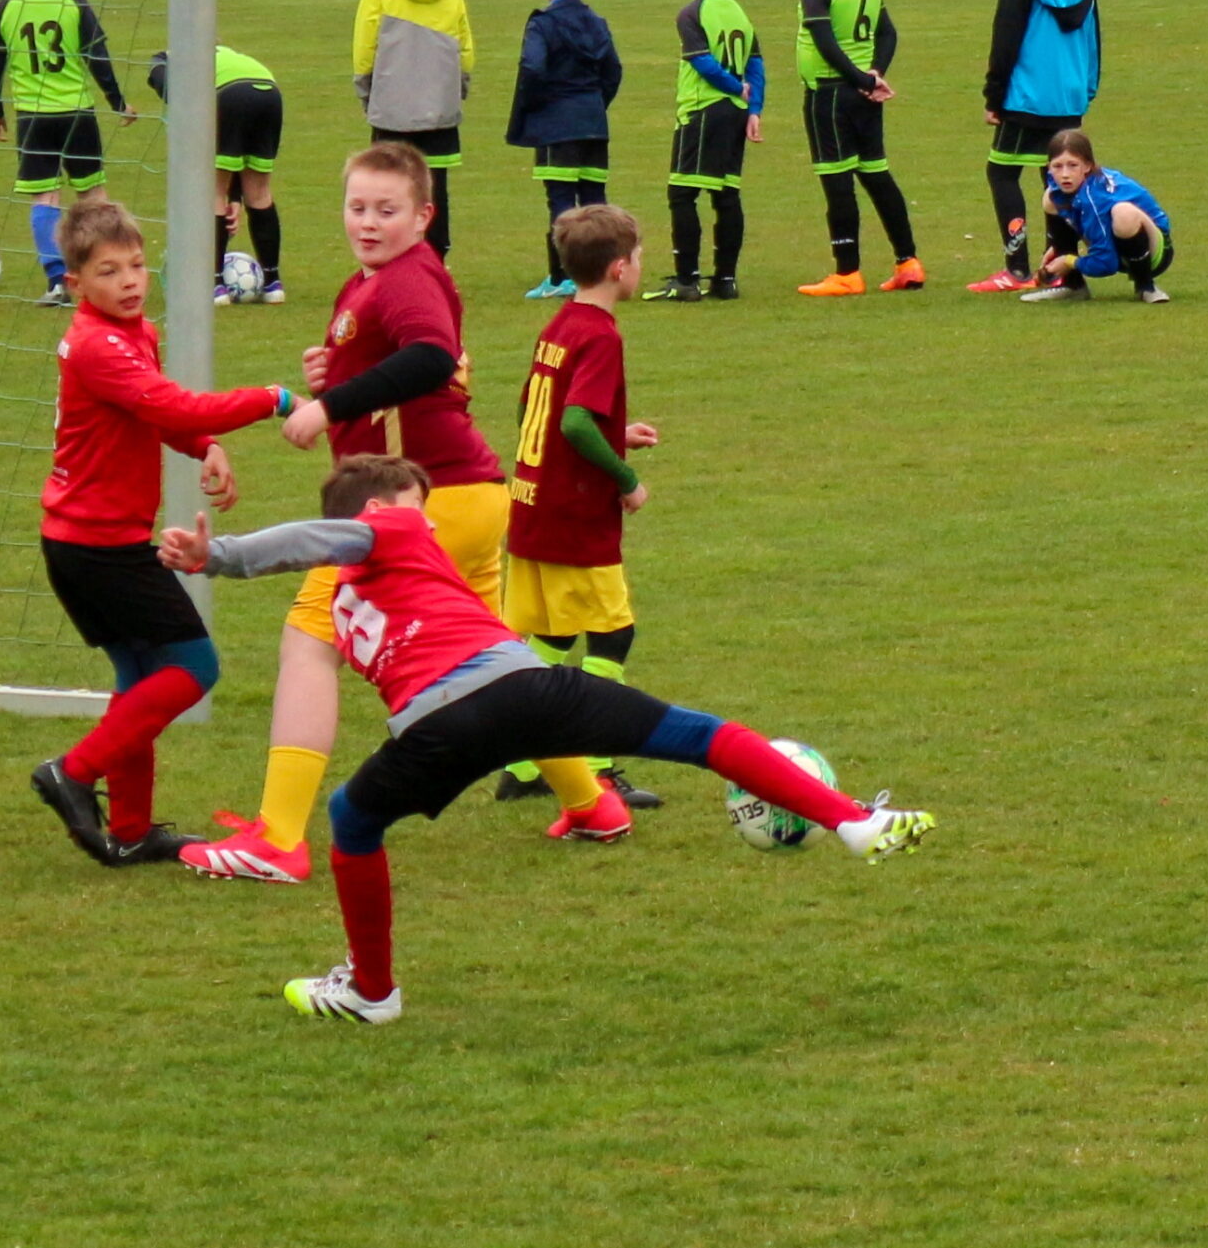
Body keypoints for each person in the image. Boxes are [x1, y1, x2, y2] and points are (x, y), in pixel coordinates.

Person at [158, 453, 937, 1024]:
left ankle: (372, 990)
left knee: (352, 820)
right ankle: (852, 820)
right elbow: (317, 537)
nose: (427, 520)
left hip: (444, 723)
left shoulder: (342, 606)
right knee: (703, 735)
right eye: (416, 505)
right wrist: (219, 556)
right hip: (527, 691)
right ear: (373, 510)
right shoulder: (386, 529)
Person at [177, 142, 623, 884]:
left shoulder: (408, 277)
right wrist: (333, 371)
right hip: (466, 496)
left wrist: (328, 406)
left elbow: (432, 357)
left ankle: (279, 838)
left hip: (422, 503)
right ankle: (590, 802)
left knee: (311, 635)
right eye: (357, 207)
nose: (368, 221)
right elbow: (399, 364)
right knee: (496, 667)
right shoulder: (374, 279)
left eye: (387, 210)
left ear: (424, 215)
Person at [30, 196, 297, 867]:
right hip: (96, 549)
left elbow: (156, 415)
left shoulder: (132, 333)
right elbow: (176, 405)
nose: (129, 281)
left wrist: (205, 445)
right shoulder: (97, 345)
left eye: (136, 265)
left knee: (140, 674)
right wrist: (273, 398)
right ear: (75, 283)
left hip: (88, 543)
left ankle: (131, 830)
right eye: (108, 271)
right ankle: (71, 771)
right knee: (194, 666)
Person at [491, 204, 666, 811]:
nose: (640, 265)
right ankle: (595, 767)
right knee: (613, 633)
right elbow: (573, 423)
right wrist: (625, 477)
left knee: (551, 634)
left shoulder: (561, 322)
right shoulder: (600, 334)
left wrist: (615, 433)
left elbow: (531, 412)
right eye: (638, 257)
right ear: (619, 268)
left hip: (532, 502)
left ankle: (520, 765)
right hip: (575, 514)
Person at [0, 0, 136, 307]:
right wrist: (118, 102)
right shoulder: (75, 4)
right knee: (94, 197)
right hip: (77, 114)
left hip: (33, 118)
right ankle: (110, 274)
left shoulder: (6, 7)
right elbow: (98, 58)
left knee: (45, 198)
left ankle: (57, 282)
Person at [793, 0, 923, 297]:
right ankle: (908, 261)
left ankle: (847, 272)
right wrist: (875, 74)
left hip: (830, 95)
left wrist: (861, 79)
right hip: (864, 98)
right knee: (876, 174)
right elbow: (888, 33)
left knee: (837, 182)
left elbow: (825, 42)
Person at [970, 0, 1101, 293]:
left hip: (1026, 100)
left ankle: (1016, 269)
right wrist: (1087, 88)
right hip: (1069, 98)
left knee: (1002, 171)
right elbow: (1094, 39)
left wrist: (993, 97)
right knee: (1060, 177)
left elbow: (1004, 44)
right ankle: (1060, 266)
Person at [647, 0, 764, 303]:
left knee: (682, 193)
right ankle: (725, 281)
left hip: (702, 111)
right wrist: (754, 108)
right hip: (735, 116)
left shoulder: (691, 13)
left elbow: (703, 63)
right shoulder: (739, 12)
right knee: (726, 194)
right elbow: (756, 63)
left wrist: (734, 87)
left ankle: (687, 280)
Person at [354, 0, 473, 259]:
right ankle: (435, 260)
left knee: (388, 189)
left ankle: (391, 256)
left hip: (392, 109)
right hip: (438, 109)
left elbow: (365, 48)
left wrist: (366, 92)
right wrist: (458, 89)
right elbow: (465, 48)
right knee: (434, 189)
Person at [505, 0, 624, 300]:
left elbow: (533, 68)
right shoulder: (597, 23)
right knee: (594, 202)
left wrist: (537, 106)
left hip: (557, 124)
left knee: (561, 200)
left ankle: (562, 276)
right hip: (593, 123)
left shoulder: (542, 24)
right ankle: (600, 271)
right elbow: (613, 71)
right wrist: (596, 103)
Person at [144, 46, 288, 305]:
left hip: (228, 95)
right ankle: (273, 283)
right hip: (269, 93)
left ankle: (215, 284)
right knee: (259, 193)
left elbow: (167, 85)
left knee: (213, 192)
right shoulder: (227, 55)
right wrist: (235, 198)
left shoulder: (167, 58)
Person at [1019, 130, 1175, 304]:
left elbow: (1106, 264)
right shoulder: (1063, 185)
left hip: (1154, 252)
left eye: (1073, 165)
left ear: (1087, 166)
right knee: (1050, 198)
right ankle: (1073, 286)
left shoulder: (1094, 197)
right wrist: (1057, 248)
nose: (1065, 174)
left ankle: (1146, 286)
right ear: (1049, 167)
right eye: (1057, 166)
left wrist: (1068, 261)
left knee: (1123, 212)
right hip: (1114, 242)